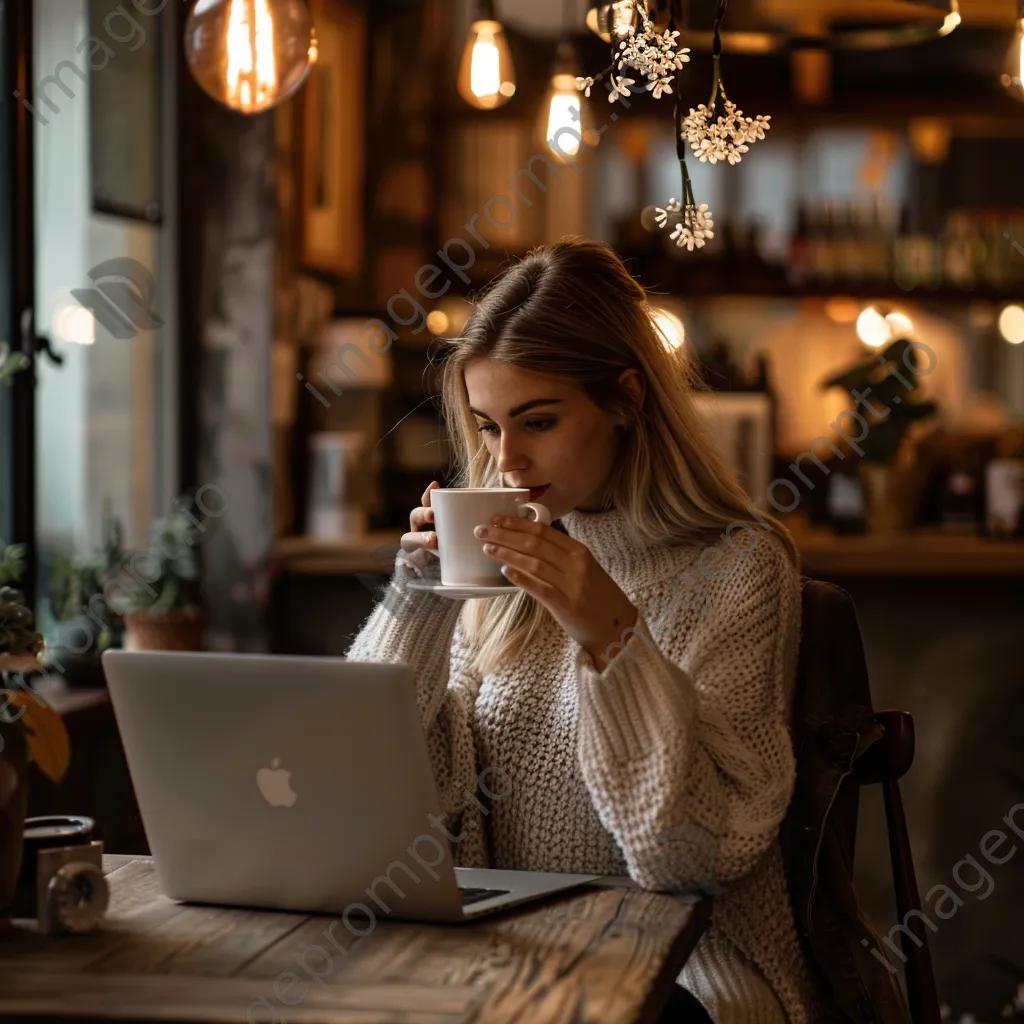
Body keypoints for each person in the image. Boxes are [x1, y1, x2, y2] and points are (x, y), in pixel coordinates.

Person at [347, 237, 829, 1022]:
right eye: (488, 426)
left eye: (538, 421)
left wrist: (611, 634)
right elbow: (379, 790)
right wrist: (420, 603)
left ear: (627, 400)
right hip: (512, 952)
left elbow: (686, 856)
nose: (508, 461)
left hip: (690, 968)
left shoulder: (740, 569)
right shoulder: (503, 574)